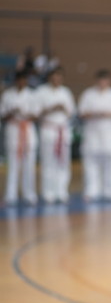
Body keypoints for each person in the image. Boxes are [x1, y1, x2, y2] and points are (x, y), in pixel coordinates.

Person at [78, 69, 111, 202]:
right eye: (101, 80)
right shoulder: (88, 94)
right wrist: (95, 113)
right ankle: (91, 191)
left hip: (109, 133)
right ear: (96, 81)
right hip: (92, 133)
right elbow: (81, 113)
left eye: (105, 80)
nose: (103, 82)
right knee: (91, 162)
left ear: (109, 81)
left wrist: (108, 113)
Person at [36, 66, 76, 204]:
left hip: (62, 130)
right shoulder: (41, 92)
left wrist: (63, 108)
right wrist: (51, 108)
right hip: (48, 129)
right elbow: (35, 113)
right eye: (54, 77)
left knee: (63, 162)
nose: (56, 79)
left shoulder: (66, 92)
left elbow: (71, 112)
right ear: (49, 78)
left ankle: (62, 191)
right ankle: (48, 193)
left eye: (59, 77)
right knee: (49, 162)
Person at [0, 70, 39, 205]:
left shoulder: (32, 95)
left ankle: (30, 194)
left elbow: (37, 115)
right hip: (13, 129)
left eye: (24, 80)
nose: (22, 82)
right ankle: (11, 195)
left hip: (27, 129)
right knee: (13, 163)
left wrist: (25, 113)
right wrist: (12, 111)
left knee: (29, 163)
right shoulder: (8, 95)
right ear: (16, 81)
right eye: (20, 80)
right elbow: (2, 115)